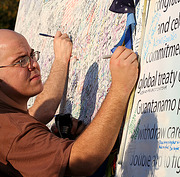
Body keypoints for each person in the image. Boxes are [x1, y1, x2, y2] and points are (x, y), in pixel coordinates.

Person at [0, 29, 139, 176]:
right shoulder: (14, 132)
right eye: (21, 61)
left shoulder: (8, 115)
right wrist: (120, 88)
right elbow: (82, 161)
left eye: (32, 55)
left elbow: (41, 111)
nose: (34, 64)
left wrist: (61, 60)